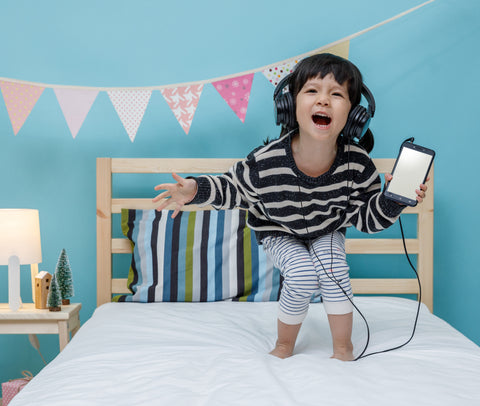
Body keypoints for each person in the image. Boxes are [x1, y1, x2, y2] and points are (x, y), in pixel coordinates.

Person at [152, 53, 428, 361]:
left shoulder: (358, 165)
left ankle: (343, 349)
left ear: (354, 116)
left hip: (328, 228)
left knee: (334, 270)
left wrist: (394, 199)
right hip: (278, 230)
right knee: (301, 274)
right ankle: (283, 345)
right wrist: (194, 190)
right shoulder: (266, 161)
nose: (323, 101)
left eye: (336, 94)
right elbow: (233, 189)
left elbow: (367, 221)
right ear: (289, 106)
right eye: (312, 91)